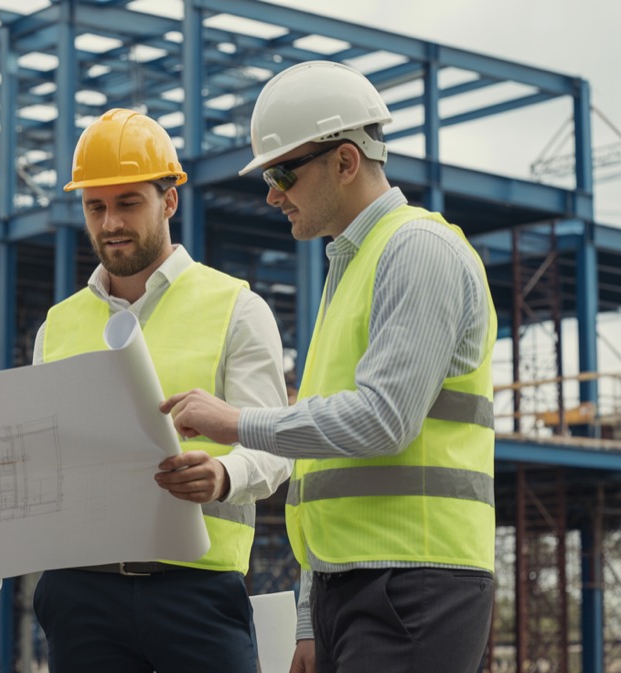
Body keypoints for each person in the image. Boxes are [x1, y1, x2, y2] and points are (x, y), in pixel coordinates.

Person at [162, 61, 497, 673]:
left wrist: (239, 423)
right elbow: (327, 461)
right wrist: (312, 613)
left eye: (283, 172)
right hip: (356, 583)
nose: (271, 193)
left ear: (345, 162)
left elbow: (383, 421)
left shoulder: (418, 250)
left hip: (417, 581)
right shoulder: (353, 266)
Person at [32, 108, 292, 673]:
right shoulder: (56, 325)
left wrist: (224, 476)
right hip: (82, 596)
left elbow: (274, 448)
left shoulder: (238, 310)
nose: (110, 223)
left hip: (195, 593)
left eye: (128, 202)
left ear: (168, 200)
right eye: (95, 206)